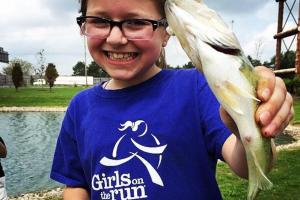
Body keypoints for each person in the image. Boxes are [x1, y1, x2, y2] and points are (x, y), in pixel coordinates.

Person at [50, 0, 294, 199]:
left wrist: (257, 120)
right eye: (99, 21)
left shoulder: (197, 87)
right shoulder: (79, 108)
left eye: (136, 22)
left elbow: (245, 164)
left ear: (167, 32)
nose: (115, 38)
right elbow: (76, 184)